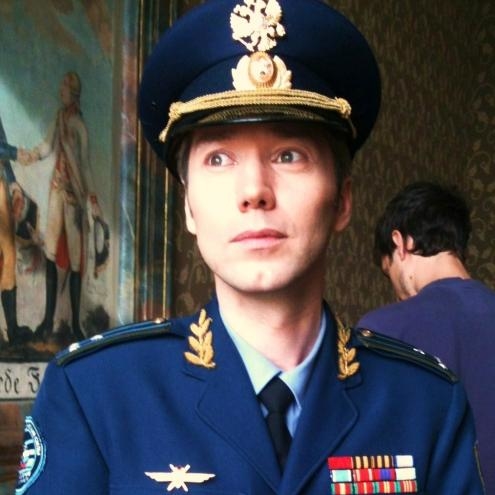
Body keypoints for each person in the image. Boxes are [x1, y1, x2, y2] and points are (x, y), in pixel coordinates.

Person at [16, 1, 485, 494]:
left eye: (289, 155)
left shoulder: (426, 402)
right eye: (219, 158)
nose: (254, 190)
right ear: (189, 207)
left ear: (342, 200)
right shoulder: (95, 393)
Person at [357, 180, 494, 492]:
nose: (396, 293)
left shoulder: (381, 331)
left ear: (401, 243)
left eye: (389, 272)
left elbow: (371, 461)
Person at [18, 72, 103, 342]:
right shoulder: (59, 118)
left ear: (73, 93)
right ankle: (47, 321)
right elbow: (47, 146)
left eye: (65, 88)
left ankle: (75, 326)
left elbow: (85, 166)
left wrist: (92, 199)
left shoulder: (79, 125)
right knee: (51, 253)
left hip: (75, 197)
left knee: (76, 261)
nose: (61, 91)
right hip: (57, 192)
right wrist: (30, 155)